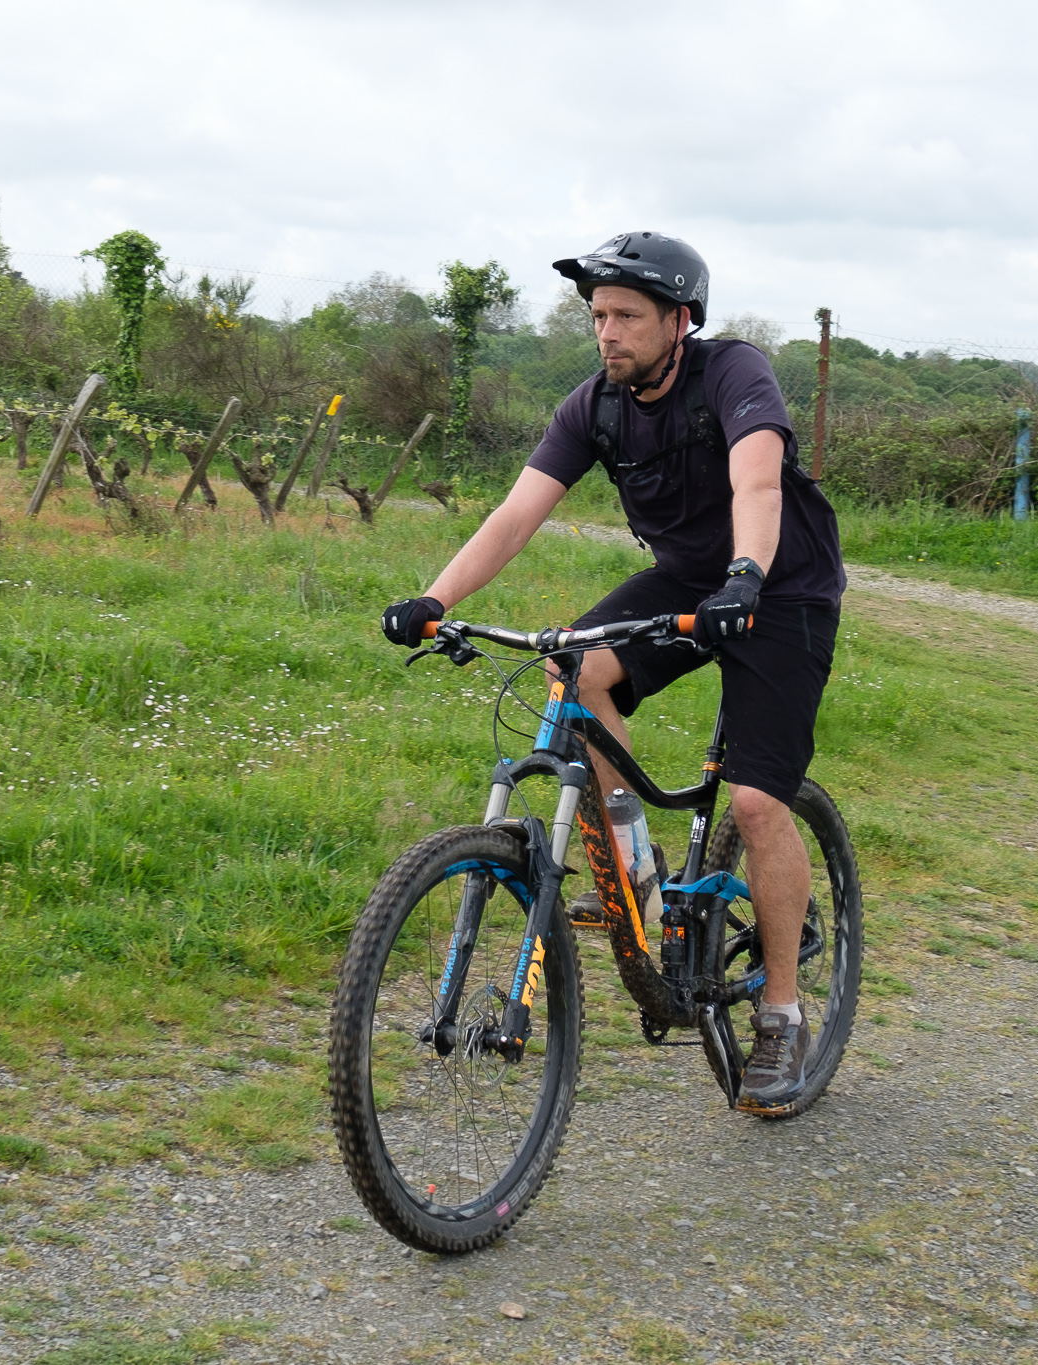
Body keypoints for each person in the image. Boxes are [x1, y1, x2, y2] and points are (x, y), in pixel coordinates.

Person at [379, 231, 846, 1116]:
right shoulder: (593, 406)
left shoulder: (733, 373)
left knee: (756, 801)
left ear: (680, 321)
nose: (608, 331)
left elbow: (758, 487)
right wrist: (435, 598)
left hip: (780, 588)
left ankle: (782, 1013)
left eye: (628, 315)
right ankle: (637, 870)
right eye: (598, 315)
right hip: (686, 582)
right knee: (574, 669)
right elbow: (515, 514)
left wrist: (746, 575)